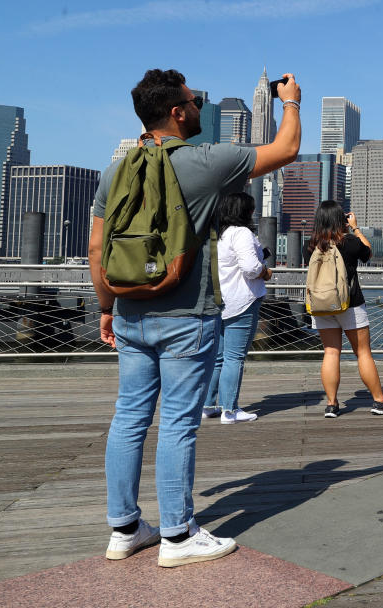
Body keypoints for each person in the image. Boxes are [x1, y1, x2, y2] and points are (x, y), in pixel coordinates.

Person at [88, 68, 300, 567]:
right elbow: (286, 149)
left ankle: (124, 529)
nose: (201, 105)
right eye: (194, 99)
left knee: (129, 417)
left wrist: (104, 306)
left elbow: (98, 246)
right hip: (187, 316)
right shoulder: (208, 162)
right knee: (179, 424)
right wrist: (290, 101)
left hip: (129, 313)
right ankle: (178, 538)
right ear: (178, 112)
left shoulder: (116, 170)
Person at [306, 200, 383, 417]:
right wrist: (356, 228)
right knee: (363, 353)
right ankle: (379, 401)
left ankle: (331, 404)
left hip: (321, 305)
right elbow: (368, 252)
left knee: (330, 352)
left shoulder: (310, 245)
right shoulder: (349, 242)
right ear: (341, 220)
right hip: (350, 304)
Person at [201, 192, 271, 424]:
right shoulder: (242, 233)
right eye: (252, 209)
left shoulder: (219, 235)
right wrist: (265, 271)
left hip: (220, 301)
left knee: (218, 357)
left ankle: (209, 405)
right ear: (246, 212)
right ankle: (230, 410)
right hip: (242, 302)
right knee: (234, 357)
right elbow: (251, 268)